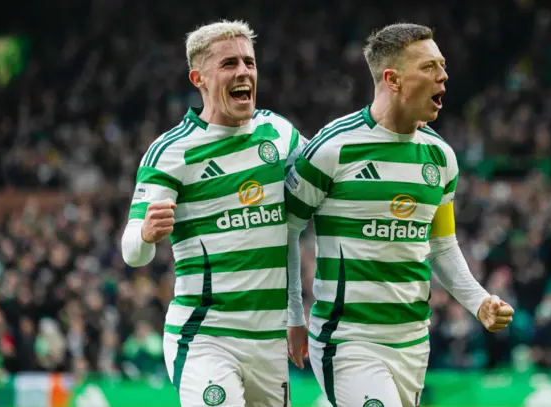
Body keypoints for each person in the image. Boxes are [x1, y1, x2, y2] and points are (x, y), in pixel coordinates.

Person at [285, 23, 514, 407]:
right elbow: (286, 230)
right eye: (429, 67)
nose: (443, 75)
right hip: (347, 339)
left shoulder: (441, 157)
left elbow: (441, 246)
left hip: (412, 341)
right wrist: (293, 315)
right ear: (392, 79)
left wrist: (478, 301)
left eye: (442, 64)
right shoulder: (332, 148)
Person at [121, 20, 308, 407]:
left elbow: (331, 172)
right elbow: (132, 253)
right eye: (229, 64)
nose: (243, 72)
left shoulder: (280, 134)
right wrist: (145, 234)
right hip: (206, 337)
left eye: (249, 63)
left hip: (269, 344)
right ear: (198, 78)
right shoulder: (172, 152)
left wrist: (399, 125)